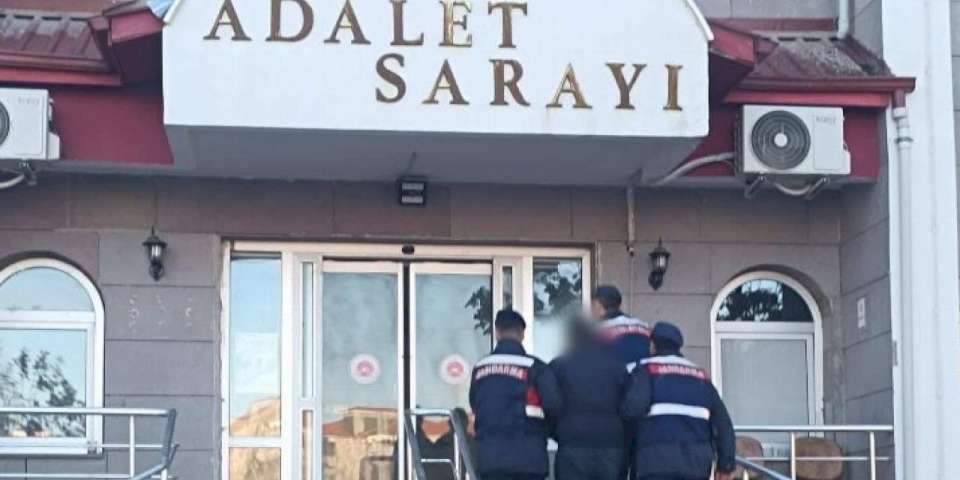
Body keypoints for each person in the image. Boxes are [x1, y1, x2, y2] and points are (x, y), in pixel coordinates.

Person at [621, 322, 736, 480]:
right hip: (696, 466)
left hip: (655, 463)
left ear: (653, 345)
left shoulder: (646, 370)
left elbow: (631, 410)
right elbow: (723, 424)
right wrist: (726, 465)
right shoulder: (700, 376)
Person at [469, 309, 562, 480]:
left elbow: (475, 405)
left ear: (497, 333)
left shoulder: (480, 369)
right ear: (522, 334)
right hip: (529, 459)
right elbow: (554, 408)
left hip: (490, 460)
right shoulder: (536, 368)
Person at [549, 317, 630, 480]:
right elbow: (629, 406)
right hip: (611, 445)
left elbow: (550, 403)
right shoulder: (617, 366)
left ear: (571, 338)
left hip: (572, 443)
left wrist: (558, 433)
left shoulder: (559, 365)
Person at [591, 284, 651, 372]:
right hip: (641, 377)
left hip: (615, 378)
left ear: (598, 304)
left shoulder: (597, 331)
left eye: (593, 305)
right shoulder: (643, 326)